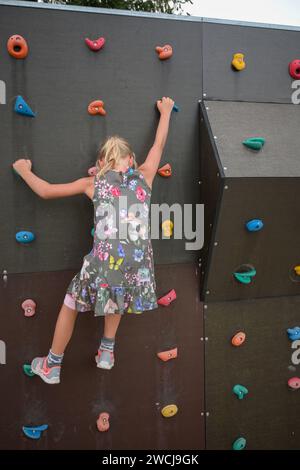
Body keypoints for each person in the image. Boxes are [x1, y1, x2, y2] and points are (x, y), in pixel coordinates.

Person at [12, 97, 174, 384]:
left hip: (103, 261)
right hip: (139, 265)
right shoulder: (145, 176)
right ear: (131, 161)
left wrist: (23, 169)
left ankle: (52, 364)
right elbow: (158, 145)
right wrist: (165, 112)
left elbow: (47, 191)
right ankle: (107, 350)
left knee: (71, 301)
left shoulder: (93, 183)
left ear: (101, 163)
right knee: (119, 295)